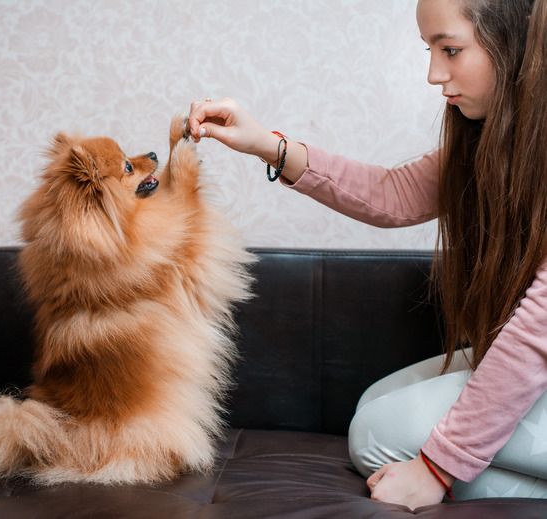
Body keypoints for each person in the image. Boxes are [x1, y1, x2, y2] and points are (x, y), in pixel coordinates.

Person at [188, 0, 547, 511]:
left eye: (450, 49)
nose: (432, 74)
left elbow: (539, 326)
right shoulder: (492, 139)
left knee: (378, 436)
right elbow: (392, 194)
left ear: (515, 39)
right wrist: (267, 145)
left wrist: (439, 467)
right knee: (374, 406)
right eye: (429, 50)